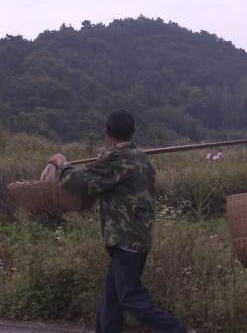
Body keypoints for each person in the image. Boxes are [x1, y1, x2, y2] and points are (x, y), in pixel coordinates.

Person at [48, 110, 188, 333]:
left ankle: (178, 330)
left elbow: (78, 182)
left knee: (130, 297)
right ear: (133, 132)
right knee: (110, 303)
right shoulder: (141, 158)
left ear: (107, 132)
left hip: (126, 240)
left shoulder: (116, 159)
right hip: (138, 237)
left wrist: (62, 162)